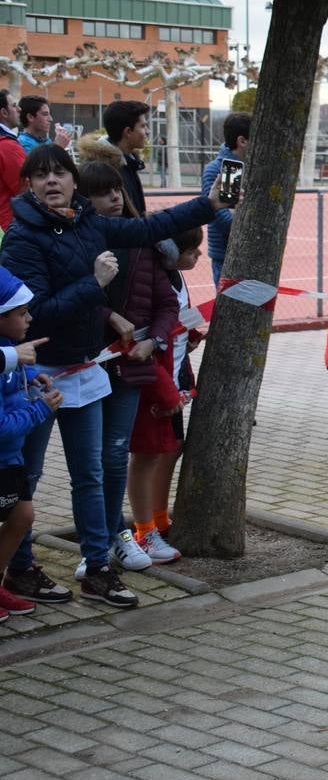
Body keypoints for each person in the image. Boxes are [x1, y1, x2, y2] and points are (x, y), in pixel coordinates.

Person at [0, 144, 226, 608]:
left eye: (59, 173)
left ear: (71, 180)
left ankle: (98, 569)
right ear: (28, 186)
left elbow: (149, 227)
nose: (52, 182)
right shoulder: (22, 238)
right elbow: (37, 315)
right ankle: (21, 570)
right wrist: (95, 286)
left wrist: (210, 204)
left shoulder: (89, 222)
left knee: (91, 473)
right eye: (41, 176)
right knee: (30, 477)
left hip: (86, 368)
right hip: (40, 376)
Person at [76, 145, 182, 574]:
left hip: (130, 367)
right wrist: (108, 314)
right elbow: (59, 301)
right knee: (90, 464)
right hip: (83, 366)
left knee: (117, 453)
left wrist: (153, 341)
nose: (114, 199)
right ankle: (99, 545)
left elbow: (166, 303)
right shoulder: (76, 244)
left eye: (117, 190)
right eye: (102, 193)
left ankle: (120, 536)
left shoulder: (143, 246)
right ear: (84, 199)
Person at [126, 227, 205, 564]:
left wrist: (188, 336)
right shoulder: (150, 279)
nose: (198, 256)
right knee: (145, 456)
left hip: (173, 378)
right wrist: (162, 387)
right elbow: (143, 340)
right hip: (153, 383)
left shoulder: (175, 278)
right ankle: (143, 532)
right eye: (191, 250)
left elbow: (173, 322)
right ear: (170, 250)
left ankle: (158, 519)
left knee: (169, 450)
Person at [0, 269, 61, 621]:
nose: (30, 318)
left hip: (11, 458)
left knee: (22, 516)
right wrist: (41, 408)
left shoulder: (11, 350)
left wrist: (28, 380)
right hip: (3, 455)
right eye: (22, 313)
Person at [201, 111, 249, 284]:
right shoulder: (227, 169)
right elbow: (223, 217)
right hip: (226, 255)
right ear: (242, 141)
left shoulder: (246, 167)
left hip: (246, 254)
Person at [102, 100, 151, 215]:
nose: (147, 131)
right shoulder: (107, 170)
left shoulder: (128, 162)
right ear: (128, 132)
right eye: (143, 126)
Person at [0, 90, 25, 230]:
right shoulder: (7, 146)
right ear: (4, 113)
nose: (19, 109)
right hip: (9, 226)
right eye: (14, 105)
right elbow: (25, 188)